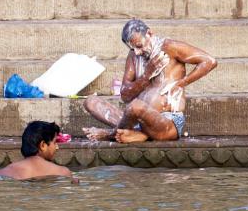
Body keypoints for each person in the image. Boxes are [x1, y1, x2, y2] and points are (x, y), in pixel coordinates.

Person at [83, 18, 216, 143]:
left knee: (135, 106)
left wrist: (181, 83)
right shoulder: (134, 56)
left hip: (167, 123)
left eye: (139, 46)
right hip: (139, 120)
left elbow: (209, 61)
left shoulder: (170, 47)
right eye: (132, 48)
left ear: (149, 34)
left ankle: (110, 134)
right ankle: (139, 133)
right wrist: (147, 74)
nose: (137, 52)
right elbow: (125, 96)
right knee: (91, 102)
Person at [0, 121, 72, 180]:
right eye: (55, 142)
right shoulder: (62, 172)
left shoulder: (4, 172)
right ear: (43, 145)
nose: (57, 147)